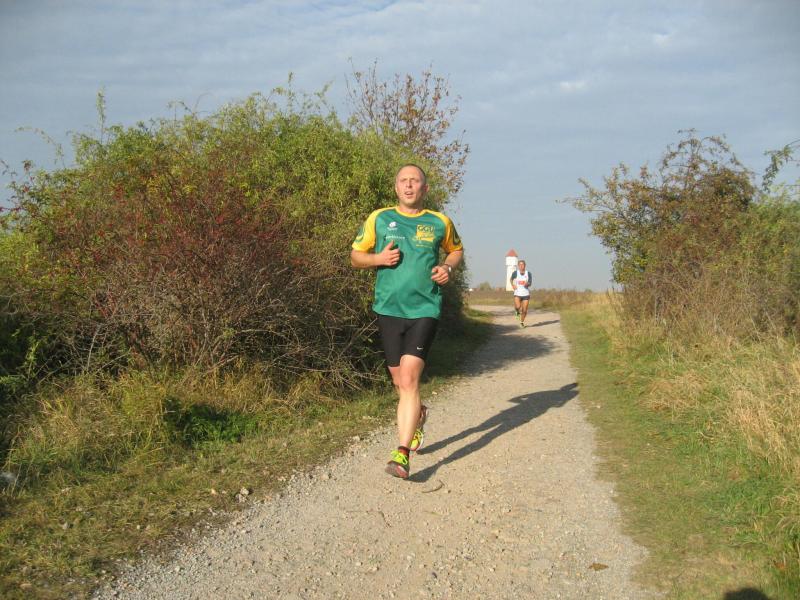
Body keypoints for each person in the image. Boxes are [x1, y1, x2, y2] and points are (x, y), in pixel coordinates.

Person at [351, 164, 463, 479]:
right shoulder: (379, 218)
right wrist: (377, 259)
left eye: (415, 181)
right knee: (400, 382)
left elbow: (456, 250)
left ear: (425, 189)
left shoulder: (439, 222)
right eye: (404, 181)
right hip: (388, 309)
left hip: (425, 309)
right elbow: (355, 256)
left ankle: (401, 455)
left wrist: (448, 268)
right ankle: (419, 415)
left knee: (410, 379)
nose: (409, 185)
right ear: (396, 187)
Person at [510, 259, 532, 327]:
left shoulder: (528, 273)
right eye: (520, 265)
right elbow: (511, 279)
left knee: (524, 310)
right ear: (518, 266)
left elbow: (530, 283)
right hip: (517, 293)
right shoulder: (515, 273)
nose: (521, 266)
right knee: (518, 306)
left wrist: (527, 284)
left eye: (522, 265)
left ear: (525, 266)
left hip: (526, 294)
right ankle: (517, 311)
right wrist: (513, 285)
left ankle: (521, 322)